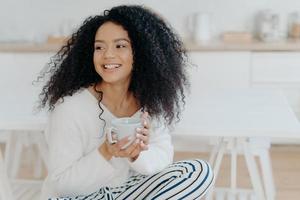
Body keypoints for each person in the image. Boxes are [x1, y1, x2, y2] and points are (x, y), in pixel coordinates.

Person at [38, 5, 214, 200]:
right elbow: (63, 185)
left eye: (120, 45)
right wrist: (105, 152)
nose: (108, 55)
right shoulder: (70, 108)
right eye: (99, 47)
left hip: (128, 192)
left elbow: (163, 157)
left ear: (141, 52)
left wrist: (137, 154)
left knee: (198, 171)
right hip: (80, 197)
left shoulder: (150, 102)